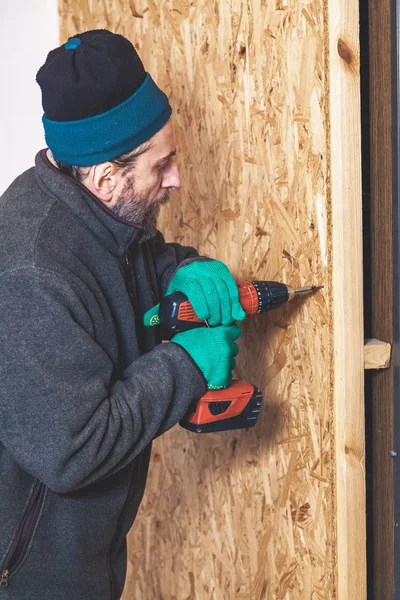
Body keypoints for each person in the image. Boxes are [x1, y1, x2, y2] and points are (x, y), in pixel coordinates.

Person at [0, 30, 246, 600]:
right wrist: (186, 364)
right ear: (107, 177)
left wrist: (177, 272)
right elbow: (74, 448)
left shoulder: (85, 209)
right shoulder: (30, 274)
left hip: (88, 564)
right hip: (27, 581)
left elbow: (121, 261)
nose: (176, 180)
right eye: (162, 167)